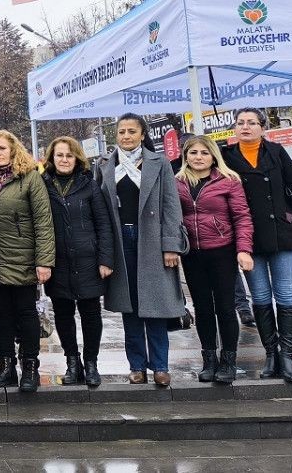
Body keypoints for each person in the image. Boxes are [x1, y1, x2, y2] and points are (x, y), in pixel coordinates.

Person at [221, 108, 292, 383]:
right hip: (248, 238)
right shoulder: (226, 156)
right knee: (260, 297)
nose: (246, 127)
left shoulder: (276, 152)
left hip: (284, 234)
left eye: (252, 122)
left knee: (286, 294)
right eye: (240, 123)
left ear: (262, 127)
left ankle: (287, 355)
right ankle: (271, 354)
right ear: (234, 128)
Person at [97, 113, 188, 387]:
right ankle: (137, 365)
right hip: (120, 239)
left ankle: (160, 366)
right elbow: (101, 210)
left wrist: (171, 245)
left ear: (142, 134)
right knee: (130, 306)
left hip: (152, 239)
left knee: (155, 305)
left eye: (132, 131)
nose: (126, 136)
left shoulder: (158, 163)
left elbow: (172, 206)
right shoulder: (104, 165)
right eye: (122, 131)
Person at [0, 131, 55, 393]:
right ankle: (6, 368)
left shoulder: (29, 178)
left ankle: (29, 367)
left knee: (26, 316)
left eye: (3, 148)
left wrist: (44, 261)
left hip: (23, 260)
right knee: (0, 317)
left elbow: (43, 221)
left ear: (13, 150)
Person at [176, 136, 254, 385]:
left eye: (204, 153)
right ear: (185, 156)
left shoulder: (228, 181)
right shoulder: (176, 182)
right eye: (193, 152)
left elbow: (242, 216)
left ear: (213, 156)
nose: (198, 157)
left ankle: (228, 361)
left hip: (222, 251)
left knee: (225, 307)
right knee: (203, 308)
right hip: (192, 255)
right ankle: (208, 360)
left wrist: (243, 249)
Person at [42, 137, 115, 387]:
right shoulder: (43, 184)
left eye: (69, 155)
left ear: (77, 158)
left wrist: (105, 259)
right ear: (51, 158)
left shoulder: (89, 185)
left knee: (91, 313)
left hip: (88, 259)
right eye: (59, 155)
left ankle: (91, 362)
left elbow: (103, 224)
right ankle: (73, 362)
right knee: (63, 313)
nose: (64, 160)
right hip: (57, 260)